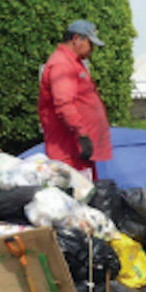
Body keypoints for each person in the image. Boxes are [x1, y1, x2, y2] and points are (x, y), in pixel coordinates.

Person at [38, 19, 112, 181]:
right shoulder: (62, 64)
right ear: (76, 39)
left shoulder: (73, 63)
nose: (92, 49)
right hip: (68, 152)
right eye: (90, 43)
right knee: (77, 198)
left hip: (78, 151)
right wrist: (82, 135)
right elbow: (64, 104)